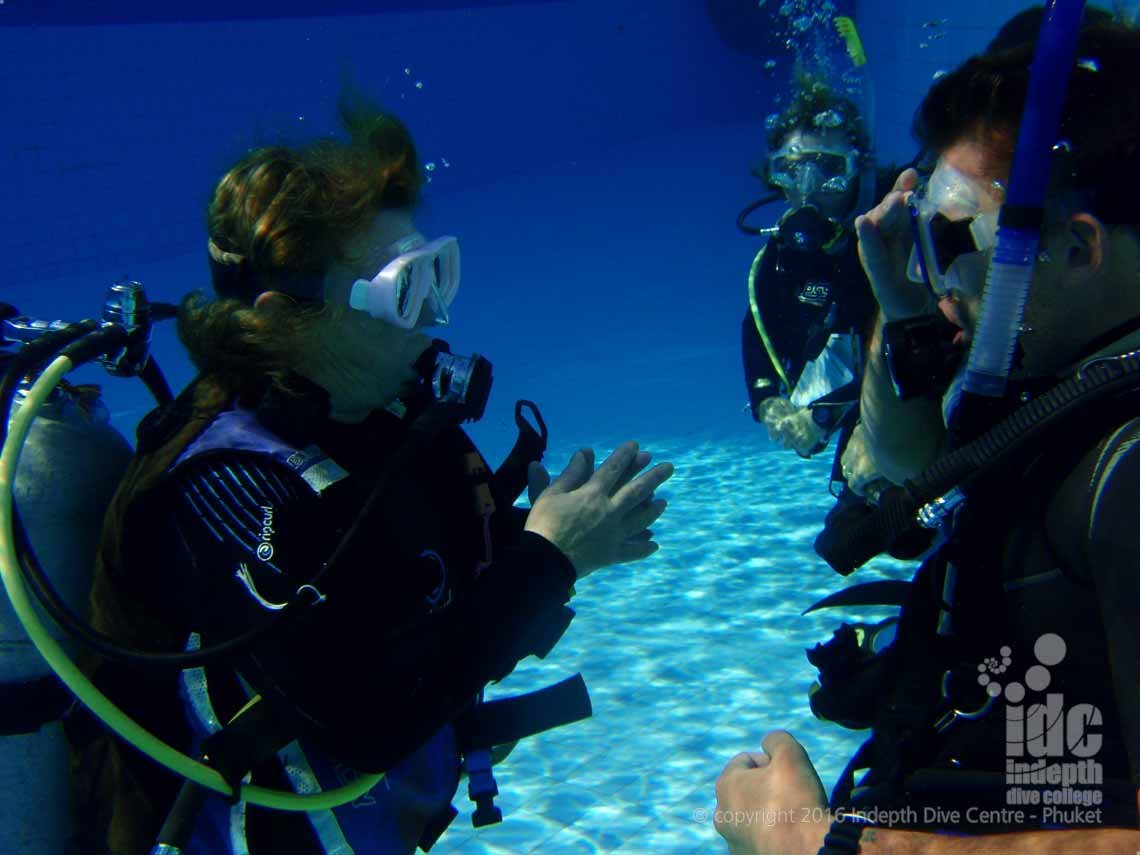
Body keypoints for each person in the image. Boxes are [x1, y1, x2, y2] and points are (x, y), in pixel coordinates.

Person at [64, 99, 674, 855]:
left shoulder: (372, 422)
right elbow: (361, 713)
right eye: (407, 289)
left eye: (438, 274)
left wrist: (547, 531)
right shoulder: (223, 490)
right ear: (285, 319)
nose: (436, 318)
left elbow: (407, 582)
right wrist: (549, 558)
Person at [715, 16, 1140, 855]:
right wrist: (903, 312)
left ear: (1078, 248)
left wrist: (811, 841)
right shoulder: (1056, 376)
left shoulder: (1128, 470)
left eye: (952, 236)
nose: (933, 271)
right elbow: (911, 461)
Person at [740, 77, 880, 465]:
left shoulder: (890, 237)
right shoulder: (781, 258)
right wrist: (767, 399)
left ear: (859, 172)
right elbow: (757, 328)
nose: (808, 188)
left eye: (828, 169)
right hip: (862, 429)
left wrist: (822, 414)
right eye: (791, 171)